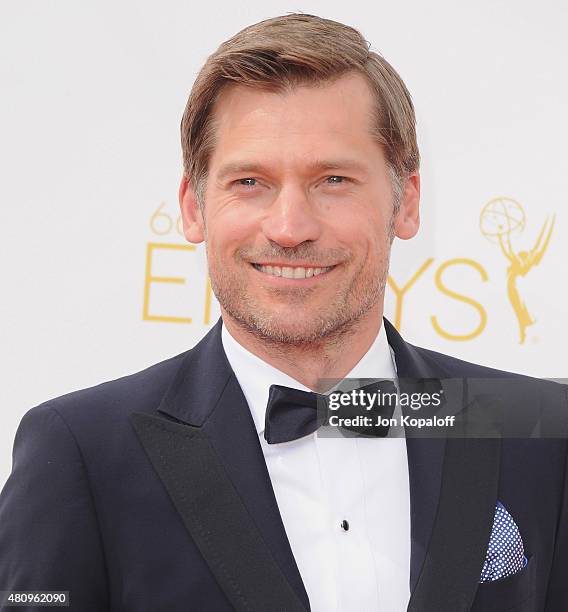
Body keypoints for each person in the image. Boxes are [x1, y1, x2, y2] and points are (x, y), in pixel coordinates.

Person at [0, 13, 566, 612]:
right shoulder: (80, 453)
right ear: (194, 208)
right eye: (249, 182)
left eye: (334, 180)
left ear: (407, 202)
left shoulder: (535, 430)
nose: (290, 227)